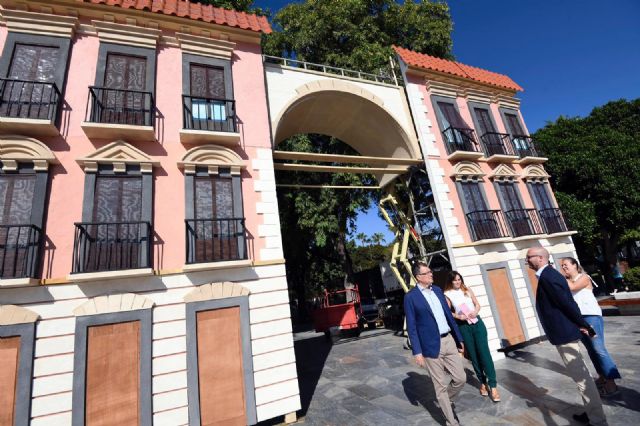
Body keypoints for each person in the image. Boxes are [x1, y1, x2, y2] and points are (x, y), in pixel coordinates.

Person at [526, 247, 607, 426]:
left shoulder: (549, 276)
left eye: (529, 257)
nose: (527, 260)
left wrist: (583, 324)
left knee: (582, 378)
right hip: (564, 332)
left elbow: (567, 303)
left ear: (539, 258)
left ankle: (598, 420)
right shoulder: (549, 275)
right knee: (581, 377)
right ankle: (594, 414)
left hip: (564, 333)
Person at [404, 262, 465, 426]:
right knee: (440, 387)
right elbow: (412, 326)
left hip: (448, 341)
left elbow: (449, 316)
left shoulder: (437, 290)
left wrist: (458, 338)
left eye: (431, 271)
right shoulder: (410, 297)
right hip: (430, 346)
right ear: (419, 277)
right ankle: (451, 421)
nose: (432, 274)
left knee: (460, 378)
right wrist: (417, 351)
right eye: (428, 272)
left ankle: (446, 400)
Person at [560, 257, 621, 396]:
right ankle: (602, 376)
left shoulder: (585, 277)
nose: (563, 268)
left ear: (575, 265)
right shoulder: (567, 281)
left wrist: (559, 277)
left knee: (598, 348)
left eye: (566, 265)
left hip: (591, 317)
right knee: (591, 350)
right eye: (562, 266)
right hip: (579, 319)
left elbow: (574, 287)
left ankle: (612, 384)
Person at [444, 271, 500, 402]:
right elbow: (447, 312)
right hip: (464, 327)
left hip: (477, 324)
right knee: (474, 356)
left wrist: (475, 312)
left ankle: (493, 386)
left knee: (484, 354)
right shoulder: (447, 294)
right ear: (450, 281)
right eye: (455, 280)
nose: (458, 282)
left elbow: (477, 304)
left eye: (459, 279)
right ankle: (482, 383)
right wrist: (459, 316)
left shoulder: (467, 290)